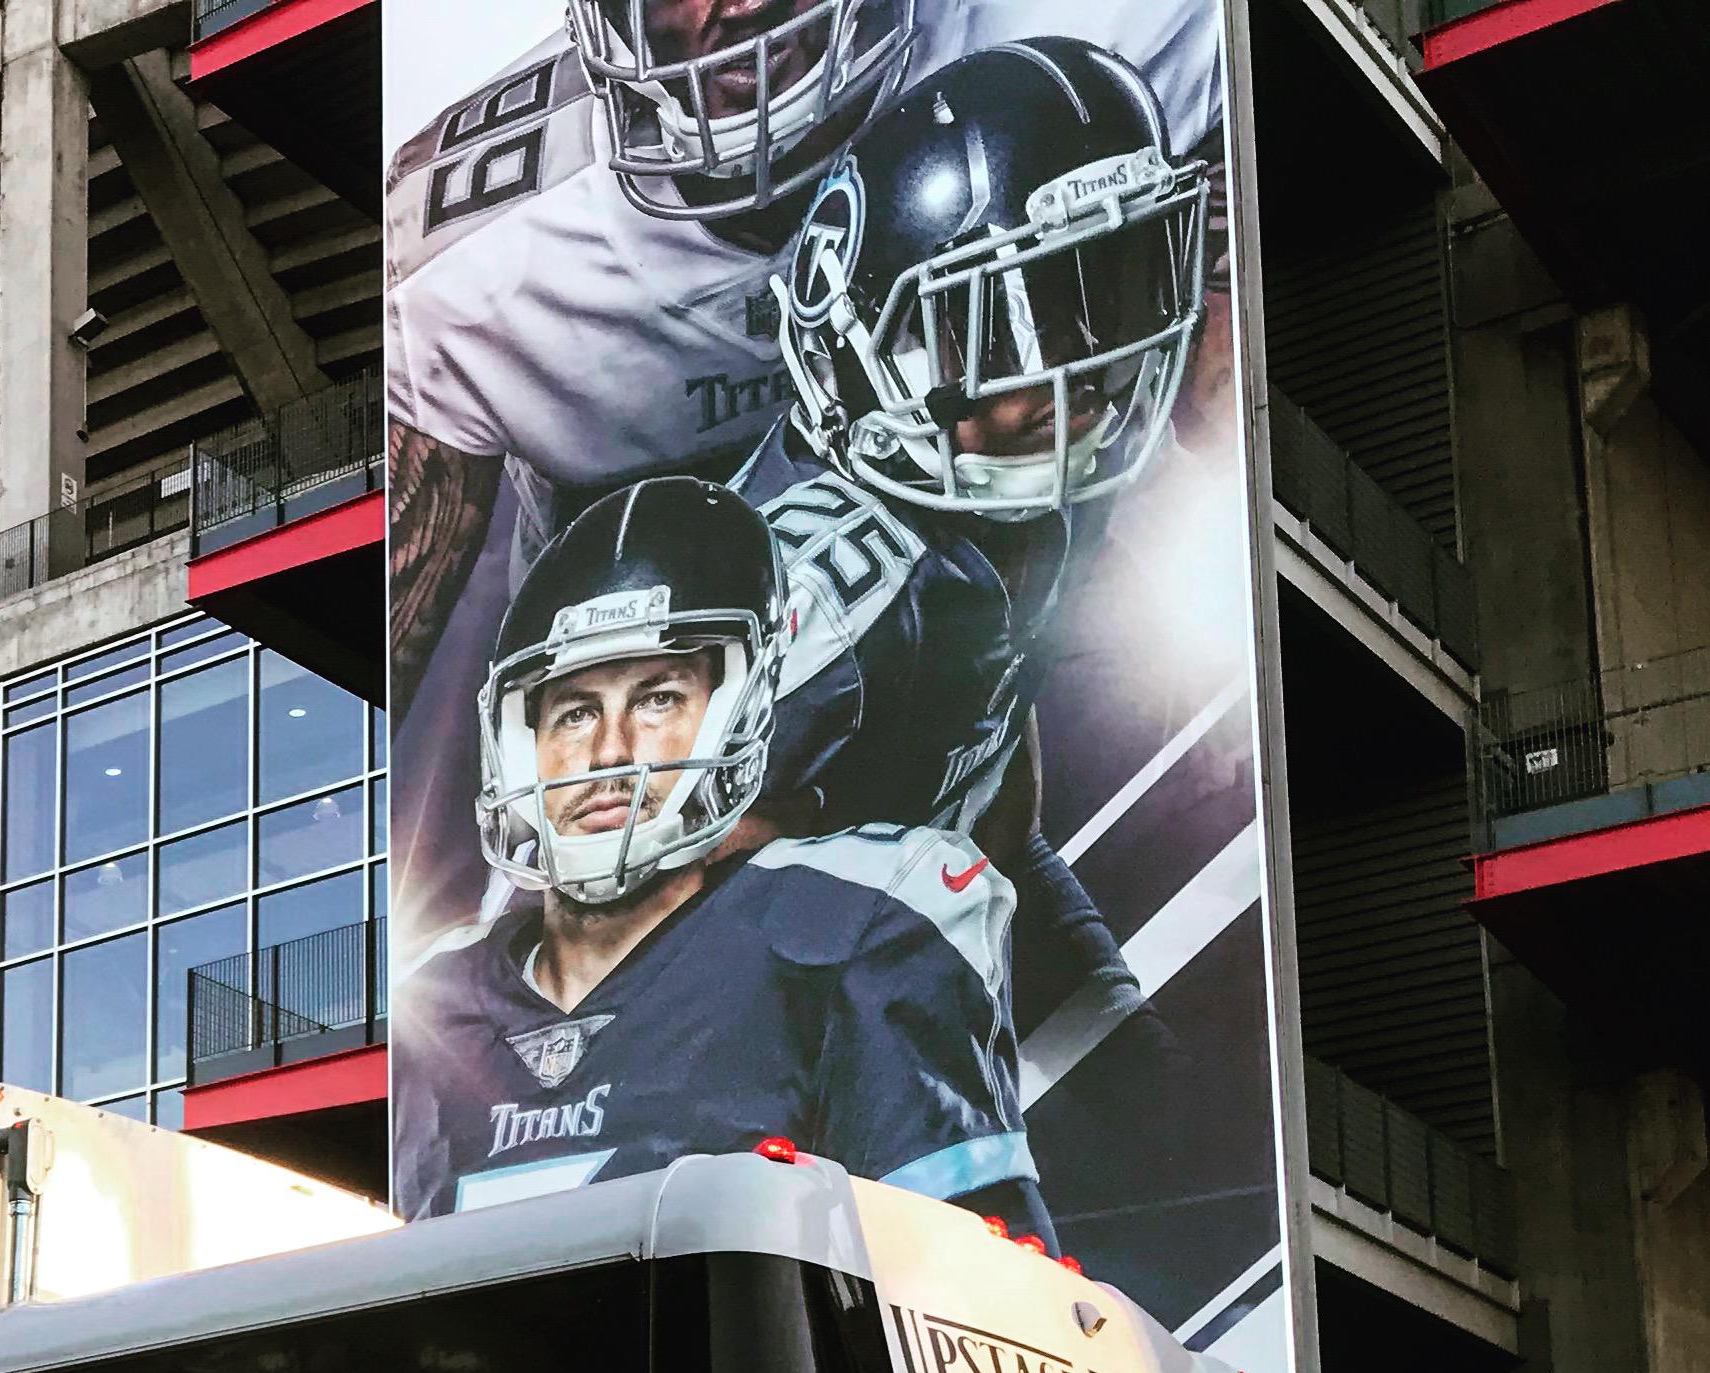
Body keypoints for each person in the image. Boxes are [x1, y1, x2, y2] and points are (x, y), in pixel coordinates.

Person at [382, 0, 1224, 917]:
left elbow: (1210, 364)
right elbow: (397, 649)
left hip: (989, 564)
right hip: (673, 674)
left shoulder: (1096, 35)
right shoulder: (471, 268)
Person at [387, 477, 1053, 1239]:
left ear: (739, 708)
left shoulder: (859, 921)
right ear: (519, 742)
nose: (609, 751)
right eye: (574, 711)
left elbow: (963, 1308)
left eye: (658, 698)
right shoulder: (429, 1007)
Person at [741, 34, 1219, 1056]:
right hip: (772, 978)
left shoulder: (1047, 479)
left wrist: (989, 904)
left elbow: (995, 717)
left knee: (1152, 1106)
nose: (1081, 374)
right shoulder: (815, 595)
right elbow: (653, 891)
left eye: (1106, 286)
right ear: (875, 349)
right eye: (1017, 321)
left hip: (956, 871)